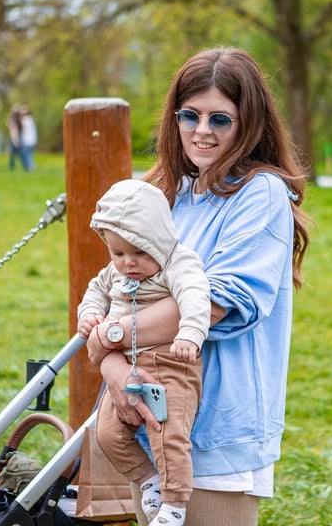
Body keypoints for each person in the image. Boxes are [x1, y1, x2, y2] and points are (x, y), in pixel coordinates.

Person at [85, 47, 311, 526]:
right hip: (143, 416)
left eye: (220, 119)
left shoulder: (261, 193)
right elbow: (113, 292)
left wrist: (108, 337)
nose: (202, 131)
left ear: (248, 122)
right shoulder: (166, 192)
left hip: (215, 429)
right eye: (190, 115)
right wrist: (113, 371)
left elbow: (213, 307)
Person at [78, 179, 211, 526]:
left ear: (160, 241)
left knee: (168, 433)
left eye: (139, 253)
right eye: (118, 253)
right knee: (105, 433)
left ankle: (174, 505)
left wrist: (190, 335)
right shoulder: (116, 270)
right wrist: (89, 314)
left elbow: (196, 298)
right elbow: (97, 289)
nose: (128, 263)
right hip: (126, 362)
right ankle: (148, 479)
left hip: (170, 361)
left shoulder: (179, 263)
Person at [18, 104, 38, 171]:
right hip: (32, 140)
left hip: (27, 141)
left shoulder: (25, 120)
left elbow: (24, 131)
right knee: (29, 154)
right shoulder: (31, 119)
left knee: (26, 154)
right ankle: (29, 167)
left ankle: (30, 167)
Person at [6, 105, 22, 170]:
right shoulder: (18, 120)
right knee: (15, 153)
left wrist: (15, 140)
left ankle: (12, 166)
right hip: (16, 137)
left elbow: (13, 131)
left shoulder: (14, 120)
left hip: (14, 138)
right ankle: (13, 166)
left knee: (13, 153)